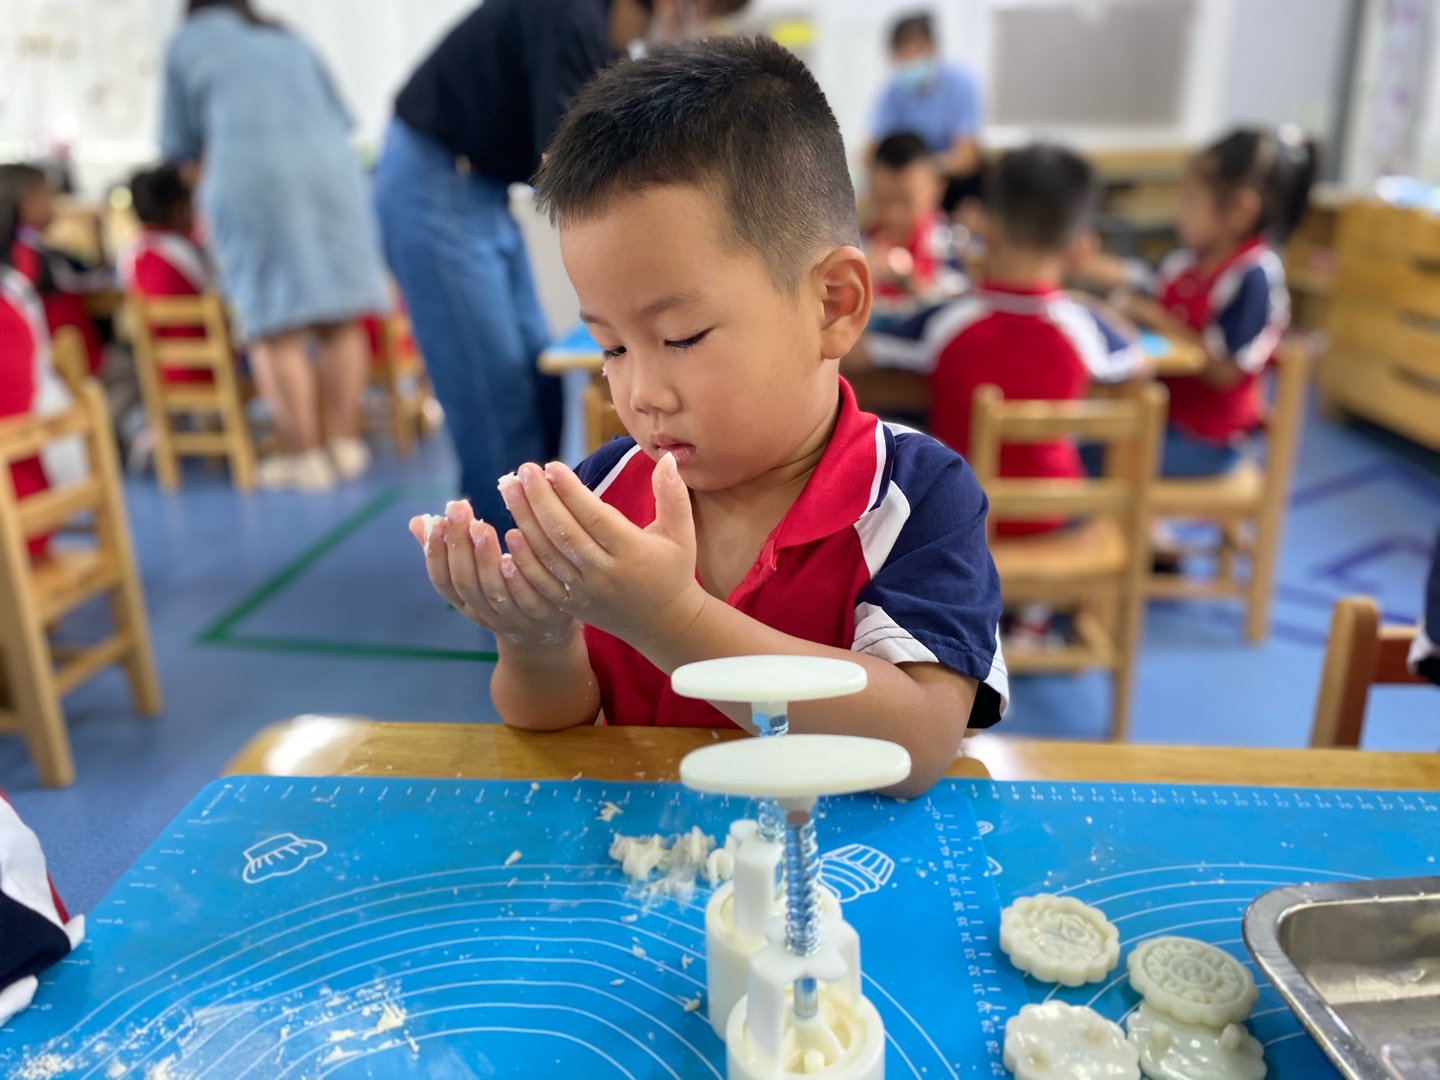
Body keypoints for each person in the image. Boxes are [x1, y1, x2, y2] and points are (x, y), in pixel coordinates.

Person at [409, 37, 1007, 797]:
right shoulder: (604, 494)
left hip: (834, 862)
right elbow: (554, 722)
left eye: (682, 337)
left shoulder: (915, 495)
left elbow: (915, 743)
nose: (641, 394)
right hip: (646, 859)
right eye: (612, 347)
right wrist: (534, 640)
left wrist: (672, 619)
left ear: (833, 305)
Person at [375, 0, 747, 533]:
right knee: (497, 402)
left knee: (539, 382)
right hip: (434, 179)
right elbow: (571, 168)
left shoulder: (604, 39)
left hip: (481, 187)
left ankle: (535, 547)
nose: (702, 23)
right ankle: (509, 573)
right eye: (707, 8)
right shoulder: (572, 17)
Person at [160, 0, 389, 492]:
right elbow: (340, 119)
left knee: (272, 326)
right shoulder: (289, 38)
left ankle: (306, 457)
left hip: (252, 183)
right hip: (332, 178)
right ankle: (345, 445)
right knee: (340, 315)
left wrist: (207, 204)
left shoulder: (188, 42)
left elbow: (180, 148)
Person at [1115, 128, 1315, 478]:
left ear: (1240, 210)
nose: (1180, 213)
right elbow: (1139, 279)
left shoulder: (1253, 276)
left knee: (1099, 453)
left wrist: (1155, 318)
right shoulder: (1189, 261)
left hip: (1208, 442)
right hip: (1165, 418)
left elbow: (1225, 372)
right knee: (1096, 438)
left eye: (1191, 199)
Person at [0, 164, 109, 376]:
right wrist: (98, 232)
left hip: (30, 364)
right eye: (48, 195)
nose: (54, 203)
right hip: (69, 365)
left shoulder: (15, 250)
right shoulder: (38, 253)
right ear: (27, 202)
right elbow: (97, 277)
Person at [870, 12, 983, 215]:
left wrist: (923, 171)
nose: (911, 59)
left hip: (953, 188)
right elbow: (872, 150)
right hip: (909, 184)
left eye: (917, 51)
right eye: (904, 53)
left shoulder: (960, 83)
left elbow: (967, 156)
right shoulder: (892, 92)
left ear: (932, 48)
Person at [118, 165, 217, 385]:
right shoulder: (182, 250)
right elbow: (217, 296)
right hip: (207, 368)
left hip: (160, 373)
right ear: (178, 207)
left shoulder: (129, 254)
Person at [865, 132, 964, 304]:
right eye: (882, 200)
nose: (893, 216)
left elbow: (963, 303)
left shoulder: (956, 246)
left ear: (937, 189)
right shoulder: (856, 244)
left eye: (906, 201)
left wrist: (915, 286)